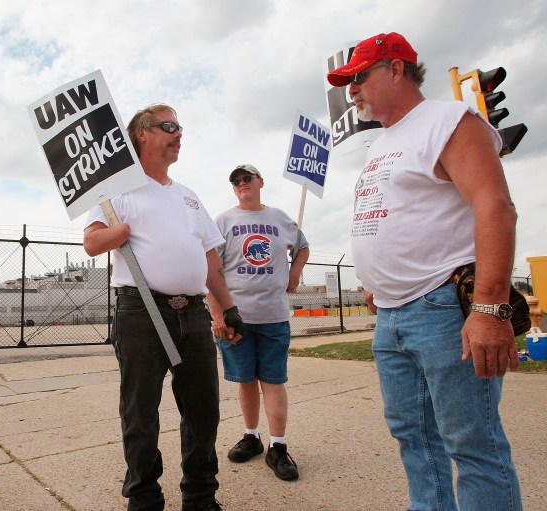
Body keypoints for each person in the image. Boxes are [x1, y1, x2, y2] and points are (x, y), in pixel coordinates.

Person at [327, 33, 522, 510]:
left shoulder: (449, 120)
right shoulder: (384, 143)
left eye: (359, 78)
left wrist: (490, 309)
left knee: (472, 445)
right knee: (414, 440)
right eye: (347, 82)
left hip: (441, 311)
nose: (351, 91)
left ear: (396, 70)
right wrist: (379, 282)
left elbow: (495, 209)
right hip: (391, 317)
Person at [83, 104, 243, 511]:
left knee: (203, 409)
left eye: (180, 127)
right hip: (141, 311)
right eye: (168, 126)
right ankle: (143, 496)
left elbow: (210, 261)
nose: (178, 134)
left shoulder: (188, 197)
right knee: (140, 412)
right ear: (141, 133)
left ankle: (201, 495)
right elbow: (92, 242)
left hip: (192, 313)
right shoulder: (115, 189)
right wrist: (116, 232)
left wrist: (226, 308)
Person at [207, 164, 309, 482]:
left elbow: (303, 247)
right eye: (235, 180)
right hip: (237, 317)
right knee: (245, 379)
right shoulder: (223, 221)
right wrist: (218, 316)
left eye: (246, 178)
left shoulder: (279, 218)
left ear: (260, 182)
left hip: (274, 316)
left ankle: (277, 446)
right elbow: (212, 272)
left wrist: (294, 273)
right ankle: (251, 436)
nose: (241, 183)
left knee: (273, 380)